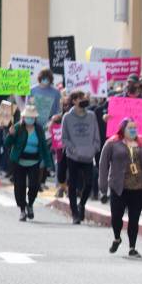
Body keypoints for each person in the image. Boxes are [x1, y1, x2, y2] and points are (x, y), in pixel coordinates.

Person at [98, 118, 142, 258]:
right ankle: (117, 238)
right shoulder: (112, 143)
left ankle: (132, 247)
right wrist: (102, 186)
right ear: (122, 129)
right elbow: (103, 164)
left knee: (134, 218)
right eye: (130, 127)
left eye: (135, 127)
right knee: (116, 216)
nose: (133, 130)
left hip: (139, 188)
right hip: (118, 186)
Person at [5, 105, 53, 221]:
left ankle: (30, 204)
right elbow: (7, 144)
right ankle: (22, 209)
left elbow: (43, 146)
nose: (30, 119)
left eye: (32, 117)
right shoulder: (17, 127)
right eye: (28, 117)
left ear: (35, 118)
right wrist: (10, 135)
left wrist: (48, 163)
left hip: (34, 161)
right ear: (23, 117)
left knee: (34, 185)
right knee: (19, 186)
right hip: (19, 161)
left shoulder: (39, 129)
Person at [61, 91, 102, 224]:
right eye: (79, 98)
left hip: (88, 156)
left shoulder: (91, 115)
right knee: (72, 185)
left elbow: (96, 133)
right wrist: (73, 149)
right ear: (73, 101)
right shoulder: (67, 117)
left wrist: (94, 148)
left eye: (84, 97)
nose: (83, 100)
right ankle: (75, 214)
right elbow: (64, 138)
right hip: (73, 156)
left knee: (89, 183)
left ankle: (82, 204)